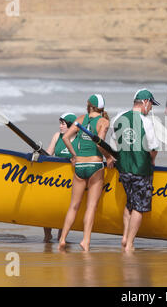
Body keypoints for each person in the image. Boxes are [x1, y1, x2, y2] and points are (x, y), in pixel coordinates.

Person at [58, 94, 115, 251]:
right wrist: (109, 157)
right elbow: (100, 144)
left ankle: (62, 239)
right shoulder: (104, 122)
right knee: (91, 206)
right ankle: (86, 241)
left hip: (80, 166)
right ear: (102, 108)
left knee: (74, 206)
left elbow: (66, 138)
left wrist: (74, 155)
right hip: (95, 165)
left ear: (89, 105)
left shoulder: (81, 119)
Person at [112, 88, 160, 252]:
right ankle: (130, 244)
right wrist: (152, 160)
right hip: (141, 169)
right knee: (139, 207)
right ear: (145, 102)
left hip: (123, 168)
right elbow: (153, 147)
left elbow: (113, 144)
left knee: (130, 203)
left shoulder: (118, 118)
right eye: (152, 104)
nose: (151, 108)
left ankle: (125, 237)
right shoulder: (146, 121)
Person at [43, 112, 77, 243]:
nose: (60, 126)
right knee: (48, 207)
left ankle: (61, 236)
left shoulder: (78, 140)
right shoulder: (57, 136)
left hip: (70, 181)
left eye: (63, 124)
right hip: (54, 180)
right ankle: (47, 235)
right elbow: (48, 154)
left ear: (70, 126)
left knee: (64, 209)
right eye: (60, 123)